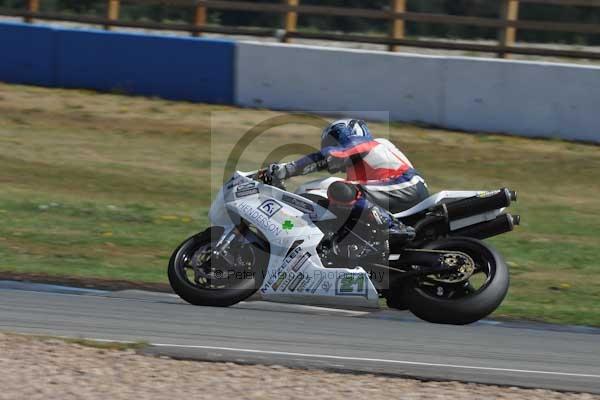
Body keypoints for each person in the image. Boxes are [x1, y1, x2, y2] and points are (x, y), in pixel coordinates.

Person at [268, 119, 429, 242]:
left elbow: (333, 155)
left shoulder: (367, 143)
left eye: (333, 142)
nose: (330, 147)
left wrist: (287, 170)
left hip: (406, 186)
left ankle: (393, 226)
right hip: (400, 191)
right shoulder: (358, 171)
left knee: (338, 188)